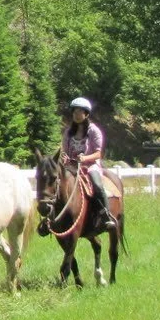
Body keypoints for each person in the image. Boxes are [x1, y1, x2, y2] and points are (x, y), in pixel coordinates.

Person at [59, 97, 117, 233]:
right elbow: (65, 151)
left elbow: (98, 154)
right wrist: (65, 157)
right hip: (72, 166)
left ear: (86, 114)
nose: (76, 115)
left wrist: (84, 158)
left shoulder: (93, 131)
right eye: (74, 112)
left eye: (80, 112)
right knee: (57, 183)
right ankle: (52, 217)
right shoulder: (68, 132)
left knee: (96, 184)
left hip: (90, 165)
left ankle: (106, 215)